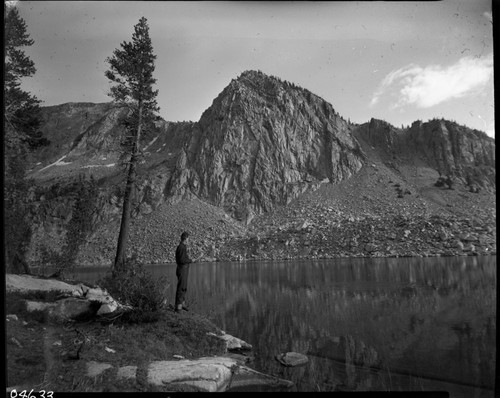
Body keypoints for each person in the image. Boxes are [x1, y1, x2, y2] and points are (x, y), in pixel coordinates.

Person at [174, 231, 196, 313]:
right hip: (182, 269)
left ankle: (182, 304)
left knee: (183, 286)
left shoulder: (182, 247)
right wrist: (191, 260)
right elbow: (182, 260)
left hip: (184, 269)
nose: (188, 240)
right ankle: (178, 307)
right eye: (188, 239)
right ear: (185, 238)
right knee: (181, 287)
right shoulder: (181, 247)